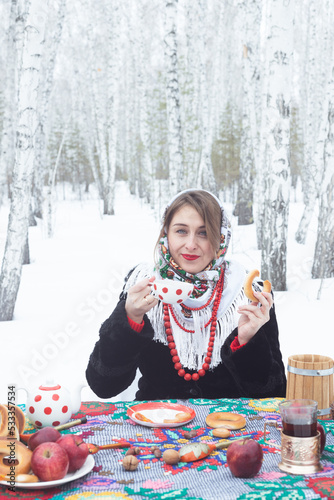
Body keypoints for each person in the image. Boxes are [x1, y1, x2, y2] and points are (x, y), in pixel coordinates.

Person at [86, 189, 286, 400]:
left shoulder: (248, 292)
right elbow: (103, 385)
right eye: (181, 231)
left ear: (221, 238)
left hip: (228, 427)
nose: (191, 244)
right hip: (155, 423)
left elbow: (274, 395)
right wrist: (130, 320)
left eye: (204, 233)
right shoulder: (142, 283)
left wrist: (247, 342)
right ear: (166, 234)